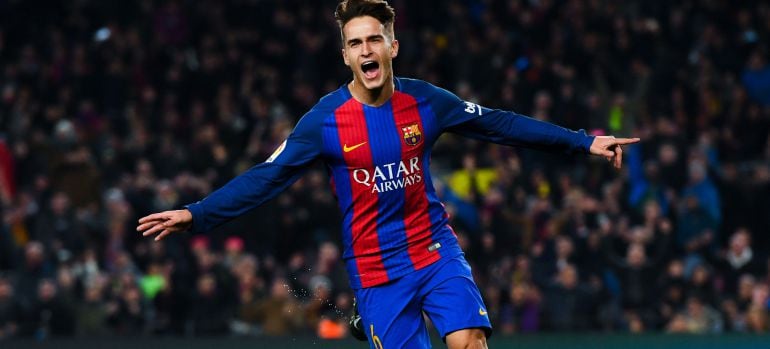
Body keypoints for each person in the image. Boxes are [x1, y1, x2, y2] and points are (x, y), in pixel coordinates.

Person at [136, 0, 639, 347]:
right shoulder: (324, 122)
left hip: (433, 247)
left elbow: (502, 124)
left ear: (392, 47)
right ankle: (366, 312)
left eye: (375, 39)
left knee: (469, 341)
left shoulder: (427, 101)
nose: (366, 51)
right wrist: (196, 215)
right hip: (376, 269)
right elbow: (265, 177)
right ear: (346, 56)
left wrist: (584, 141)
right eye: (355, 43)